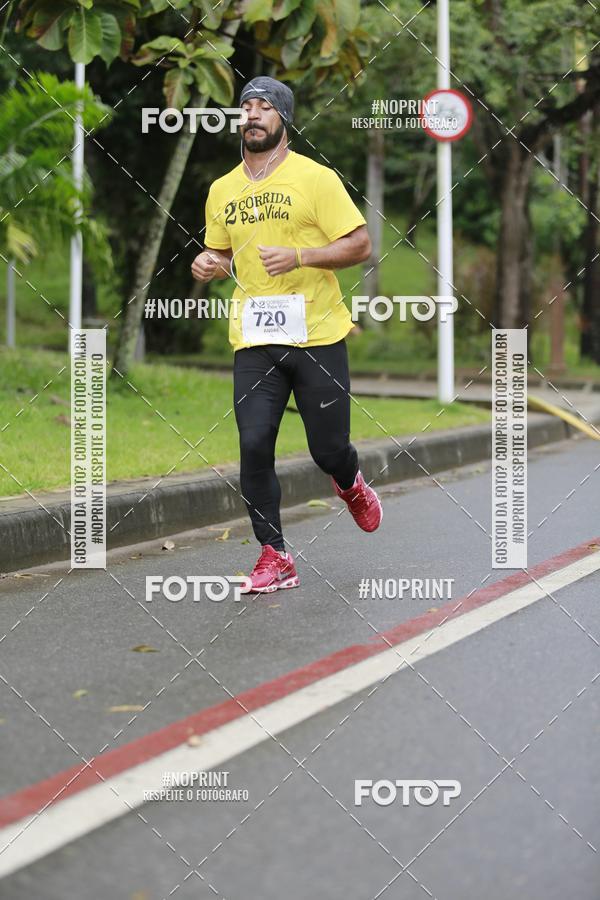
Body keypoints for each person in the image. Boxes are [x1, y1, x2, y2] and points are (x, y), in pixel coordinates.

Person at [191, 76, 382, 593]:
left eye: (263, 107)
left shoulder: (315, 179)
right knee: (253, 444)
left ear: (283, 121)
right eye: (246, 107)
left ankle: (350, 482)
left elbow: (360, 244)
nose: (252, 114)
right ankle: (275, 554)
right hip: (254, 336)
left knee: (328, 449)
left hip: (318, 333)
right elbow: (223, 251)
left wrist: (300, 256)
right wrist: (210, 263)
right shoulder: (222, 189)